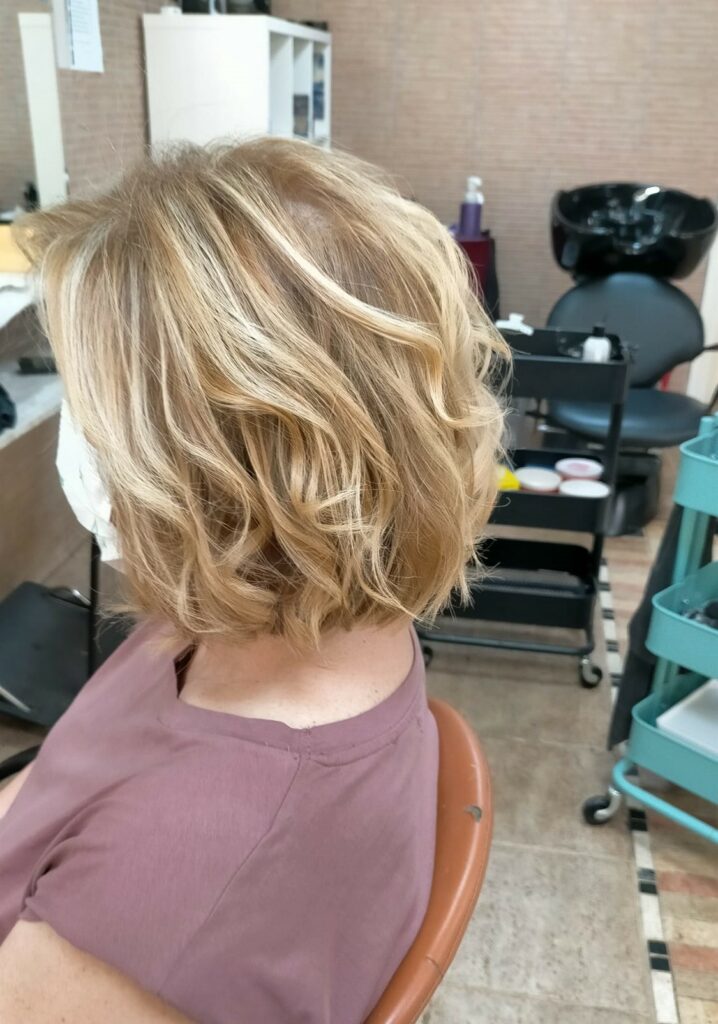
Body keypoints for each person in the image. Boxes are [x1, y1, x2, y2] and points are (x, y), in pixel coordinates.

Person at [0, 138, 505, 1023]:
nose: (79, 441)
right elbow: (60, 783)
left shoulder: (169, 896)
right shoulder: (285, 618)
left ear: (214, 470)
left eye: (90, 409)